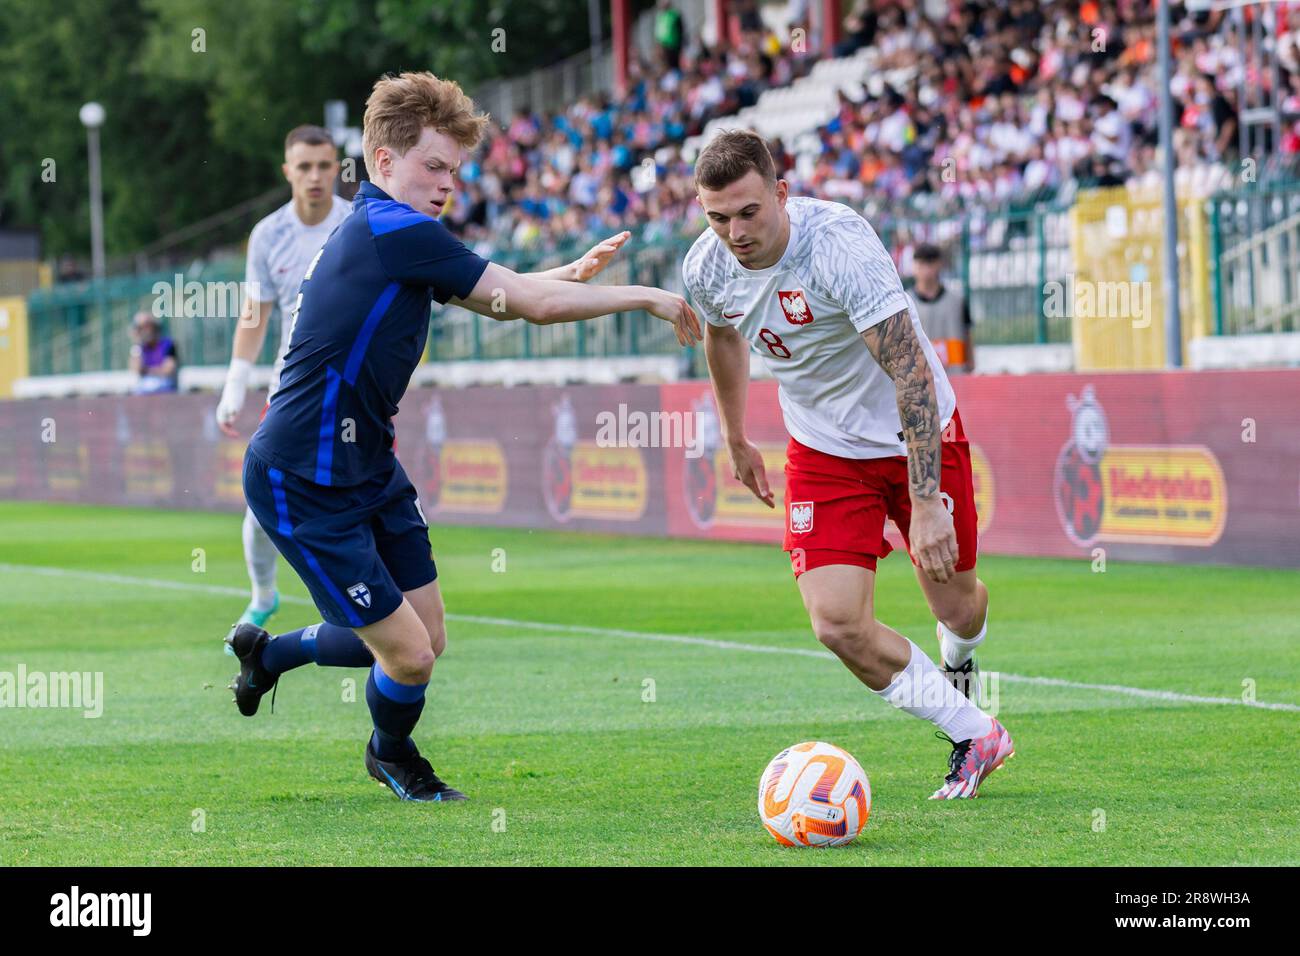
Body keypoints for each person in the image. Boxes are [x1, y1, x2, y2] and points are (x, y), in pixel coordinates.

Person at [225, 71, 699, 802]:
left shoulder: (392, 229)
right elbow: (526, 305)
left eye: (455, 169)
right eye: (434, 166)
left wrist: (564, 274)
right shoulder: (395, 229)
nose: (449, 183)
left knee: (425, 637)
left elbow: (502, 289)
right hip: (302, 476)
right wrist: (649, 297)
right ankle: (393, 756)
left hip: (367, 462)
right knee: (410, 654)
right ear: (384, 163)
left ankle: (274, 654)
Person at [682, 130, 1011, 800]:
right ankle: (975, 732)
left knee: (958, 605)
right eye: (718, 218)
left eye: (748, 212)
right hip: (824, 451)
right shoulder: (706, 266)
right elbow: (721, 338)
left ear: (780, 193)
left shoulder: (838, 246)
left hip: (915, 433)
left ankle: (961, 657)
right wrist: (736, 435)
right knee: (835, 623)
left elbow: (910, 372)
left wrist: (922, 507)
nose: (735, 232)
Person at [215, 125, 353, 630]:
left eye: (324, 165)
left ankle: (375, 610)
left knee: (364, 506)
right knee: (261, 509)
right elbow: (255, 315)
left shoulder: (357, 224)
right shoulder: (268, 234)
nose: (315, 176)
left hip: (354, 393)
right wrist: (235, 385)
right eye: (304, 166)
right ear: (287, 171)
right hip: (290, 391)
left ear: (337, 166)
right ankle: (264, 593)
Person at [908, 243, 973, 374]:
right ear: (914, 266)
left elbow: (967, 334)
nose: (926, 270)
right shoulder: (906, 303)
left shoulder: (957, 300)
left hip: (955, 376)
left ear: (939, 264)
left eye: (930, 263)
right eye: (921, 264)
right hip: (921, 379)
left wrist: (971, 365)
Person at [128, 311, 179, 394]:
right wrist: (136, 344)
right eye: (140, 328)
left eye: (146, 327)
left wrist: (148, 371)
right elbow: (137, 369)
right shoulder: (139, 348)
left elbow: (169, 369)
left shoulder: (168, 344)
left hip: (166, 389)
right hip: (145, 390)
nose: (144, 331)